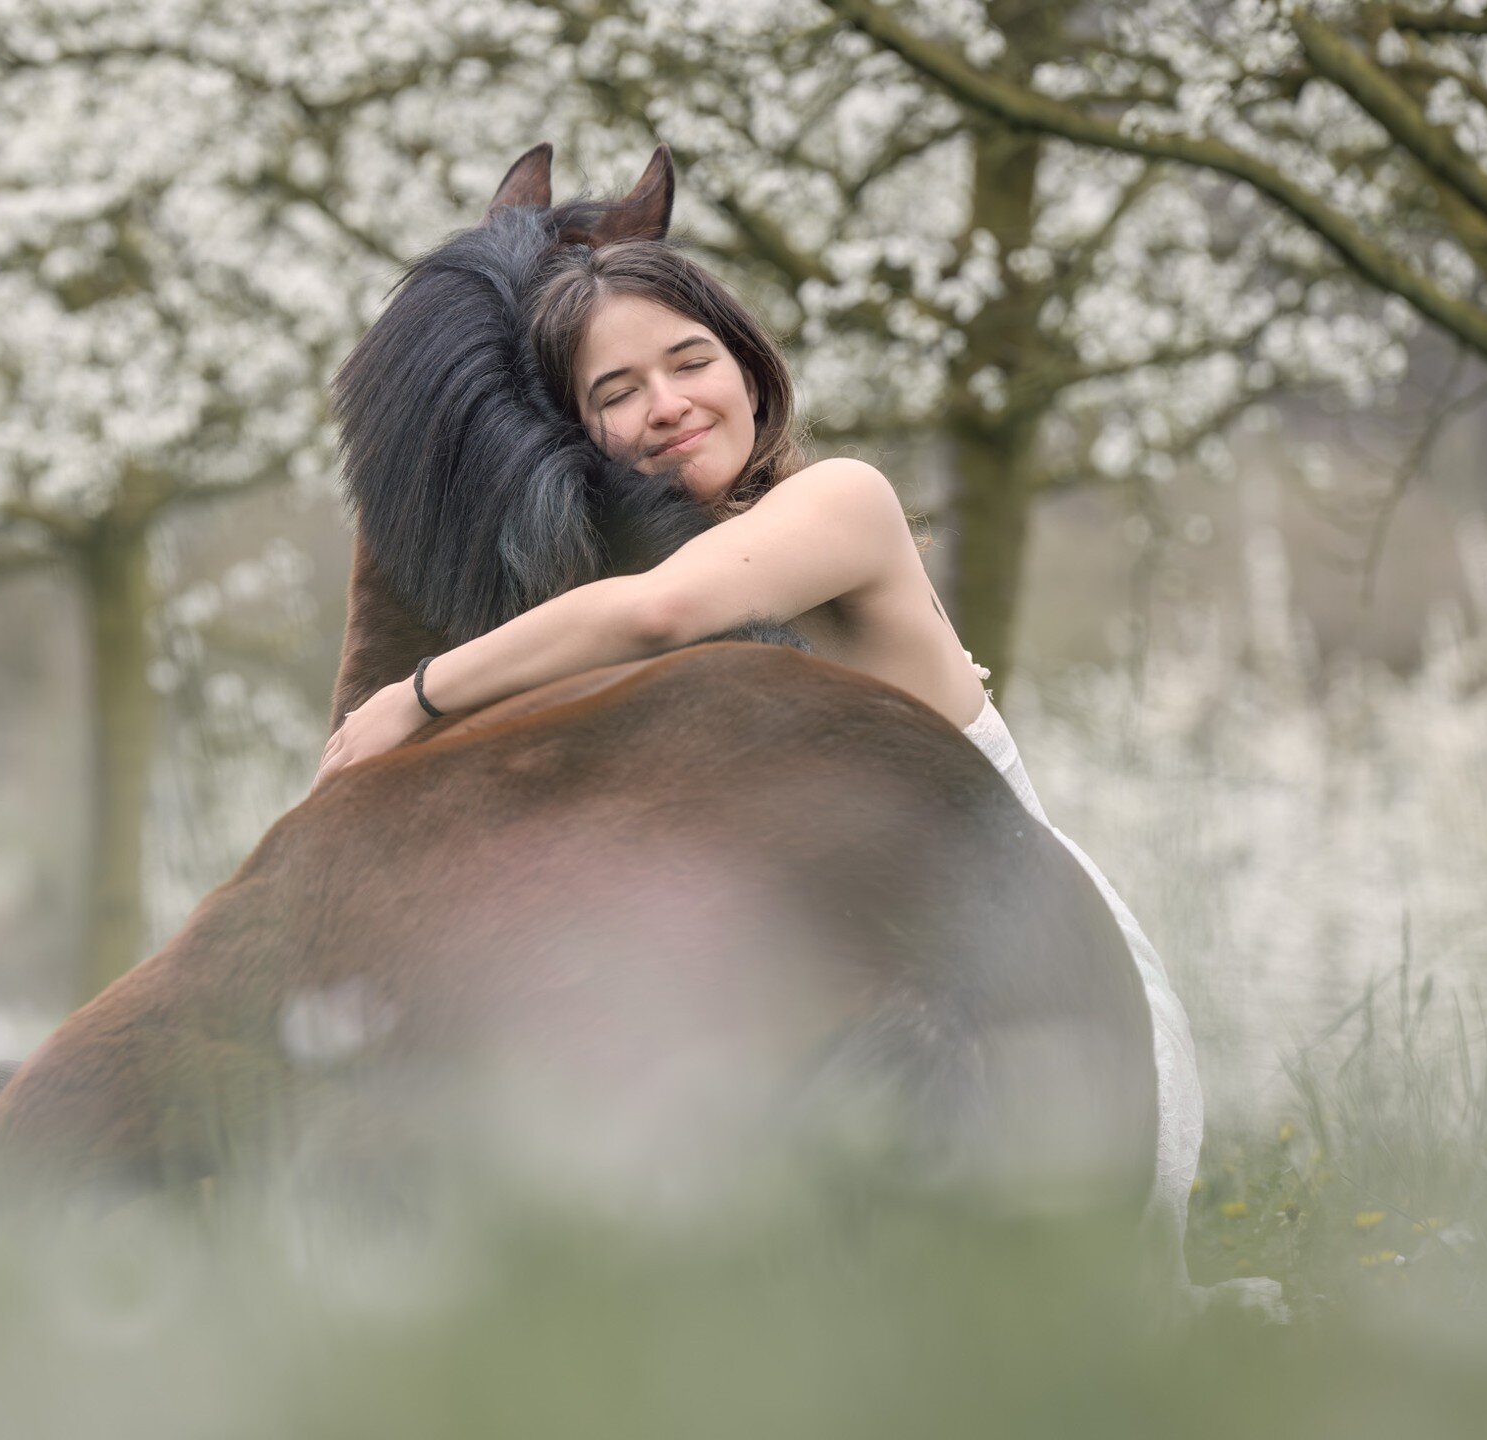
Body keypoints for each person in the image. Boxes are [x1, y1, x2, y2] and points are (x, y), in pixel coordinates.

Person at [312, 237, 1230, 1305]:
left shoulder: (840, 502)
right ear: (584, 435)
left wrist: (412, 699)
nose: (665, 403)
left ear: (749, 365)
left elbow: (663, 610)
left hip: (1008, 966)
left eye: (690, 359)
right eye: (616, 392)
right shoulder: (613, 588)